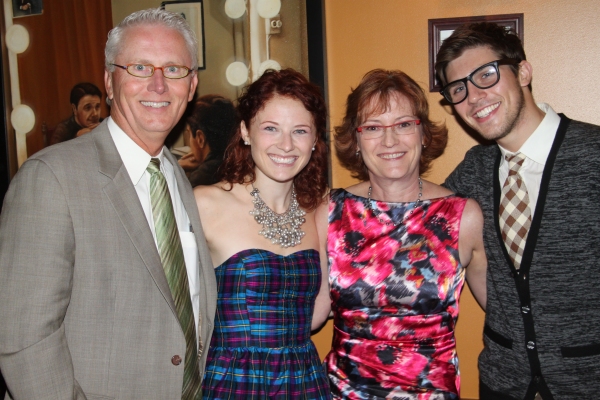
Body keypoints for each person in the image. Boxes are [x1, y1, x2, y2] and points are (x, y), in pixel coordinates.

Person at [0, 8, 217, 399]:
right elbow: (25, 342)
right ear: (109, 83)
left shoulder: (176, 177)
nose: (157, 84)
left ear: (192, 84)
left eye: (173, 70)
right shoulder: (50, 178)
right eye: (138, 67)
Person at [436, 22, 600, 400]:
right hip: (503, 383)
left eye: (486, 75)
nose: (474, 96)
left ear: (523, 71)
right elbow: (416, 226)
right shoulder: (473, 171)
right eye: (458, 89)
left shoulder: (593, 156)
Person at [324, 69, 487, 399]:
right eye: (372, 128)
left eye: (403, 124)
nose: (389, 141)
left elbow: (507, 311)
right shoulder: (329, 211)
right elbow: (305, 311)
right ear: (355, 140)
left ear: (423, 133)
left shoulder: (463, 217)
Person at [194, 68, 331, 399]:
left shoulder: (320, 210)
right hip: (232, 381)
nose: (286, 145)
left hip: (303, 380)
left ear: (314, 140)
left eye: (300, 131)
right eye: (271, 128)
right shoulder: (205, 203)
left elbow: (316, 316)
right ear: (245, 131)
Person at [178, 94, 237, 187]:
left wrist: (177, 168)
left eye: (189, 134)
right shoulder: (238, 165)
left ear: (200, 138)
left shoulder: (200, 179)